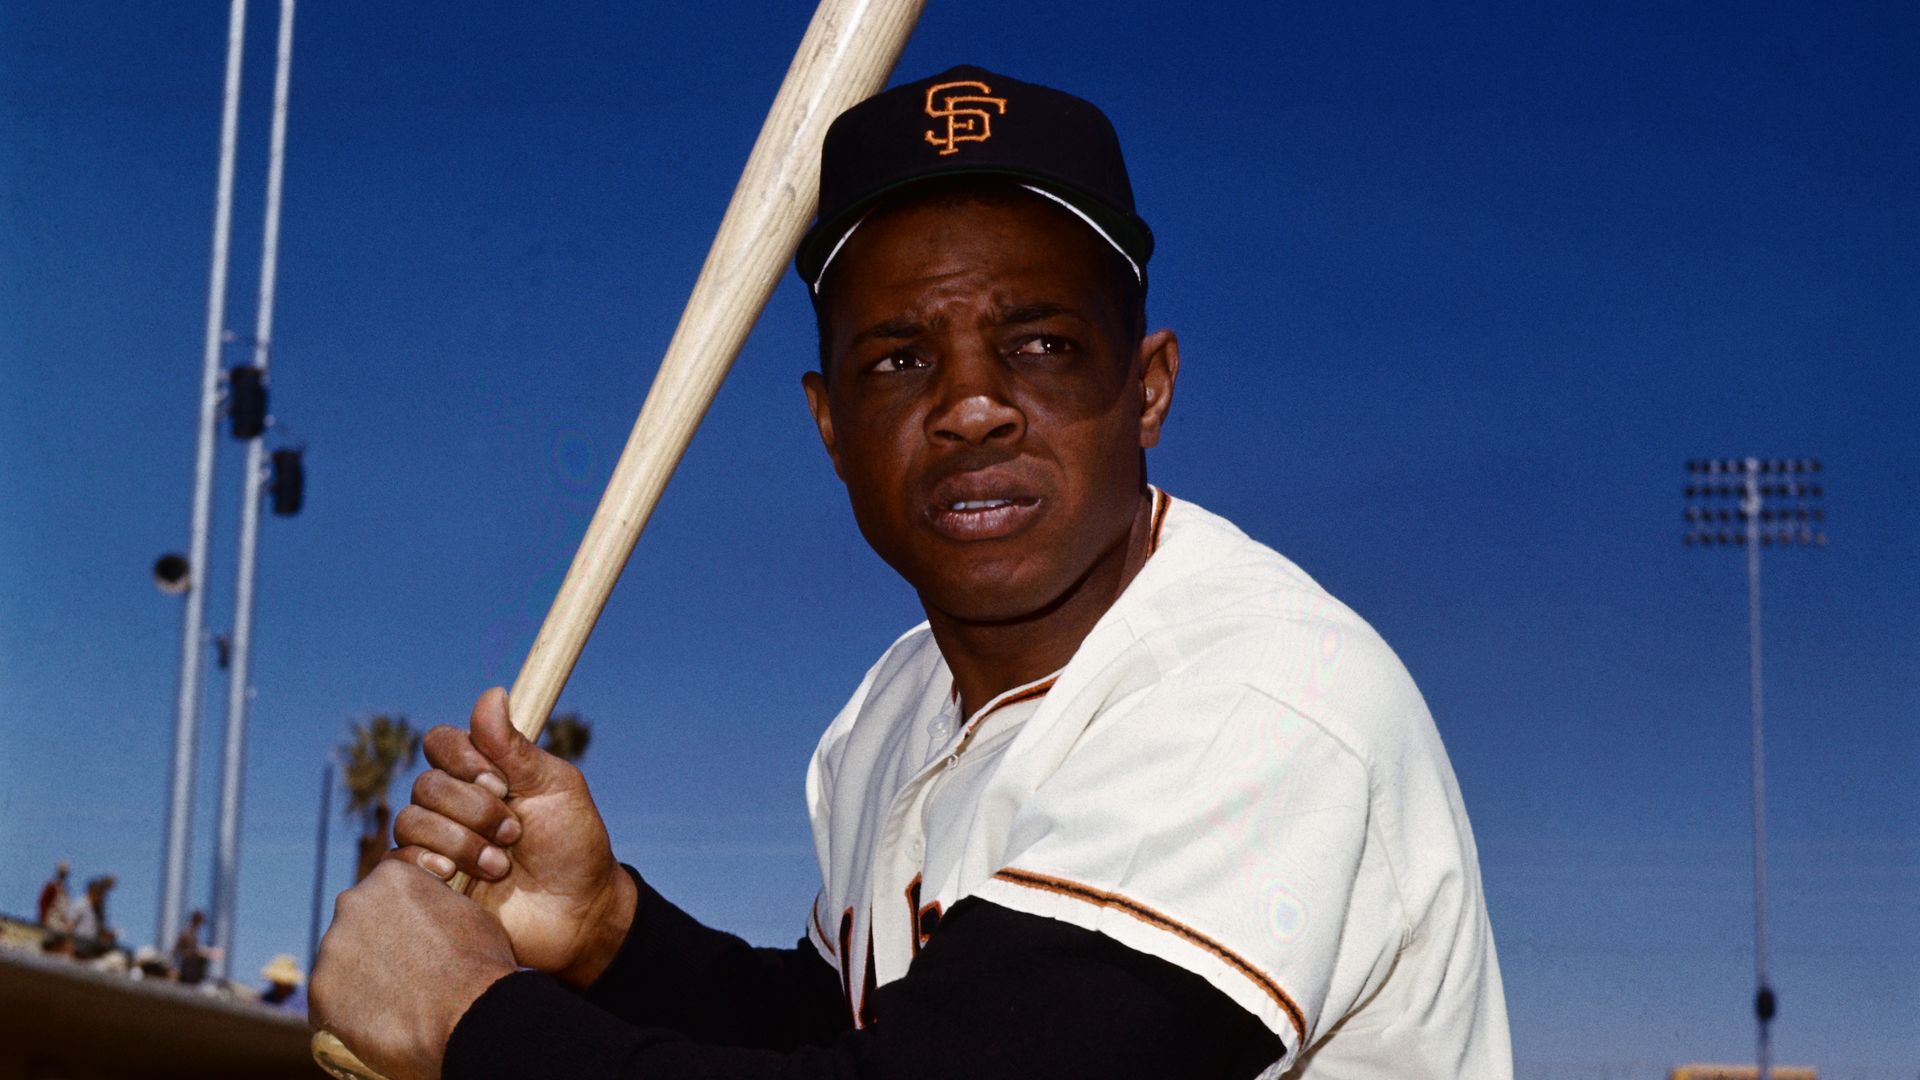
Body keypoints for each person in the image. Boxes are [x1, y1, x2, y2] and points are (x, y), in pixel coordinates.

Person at [311, 65, 1511, 1080]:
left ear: (1148, 387)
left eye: (1041, 344)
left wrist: (466, 1018)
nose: (973, 407)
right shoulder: (894, 708)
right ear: (830, 426)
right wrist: (609, 934)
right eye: (898, 359)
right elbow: (859, 1040)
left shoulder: (1259, 697)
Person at [68, 874, 116, 960]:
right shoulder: (80, 905)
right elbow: (69, 926)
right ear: (93, 892)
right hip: (77, 949)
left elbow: (100, 931)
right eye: (100, 894)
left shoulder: (98, 911)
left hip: (90, 952)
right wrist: (69, 947)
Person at [173, 909, 210, 985]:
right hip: (188, 967)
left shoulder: (192, 934)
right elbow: (177, 951)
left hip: (191, 968)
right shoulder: (187, 934)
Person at [35, 861, 72, 931]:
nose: (63, 875)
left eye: (65, 873)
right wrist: (43, 919)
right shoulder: (52, 887)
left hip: (62, 921)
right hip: (52, 919)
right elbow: (43, 902)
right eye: (62, 873)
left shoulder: (65, 891)